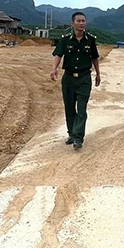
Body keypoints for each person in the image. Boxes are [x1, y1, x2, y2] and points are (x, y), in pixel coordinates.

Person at [51, 12, 101, 150]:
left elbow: (94, 58)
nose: (81, 23)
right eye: (78, 21)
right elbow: (58, 54)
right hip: (68, 79)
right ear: (72, 23)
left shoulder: (90, 40)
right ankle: (72, 134)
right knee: (69, 107)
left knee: (82, 109)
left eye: (83, 21)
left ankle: (78, 138)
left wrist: (98, 73)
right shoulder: (65, 39)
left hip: (84, 78)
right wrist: (54, 68)